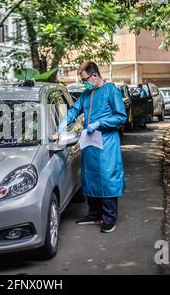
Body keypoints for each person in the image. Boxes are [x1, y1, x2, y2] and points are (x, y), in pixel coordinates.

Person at [59, 61, 127, 233]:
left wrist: (99, 123)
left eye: (85, 80)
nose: (84, 84)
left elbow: (121, 116)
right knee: (90, 176)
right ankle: (95, 214)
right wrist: (64, 122)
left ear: (95, 75)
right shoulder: (87, 94)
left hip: (106, 142)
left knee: (106, 176)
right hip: (90, 141)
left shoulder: (111, 90)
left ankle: (109, 218)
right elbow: (75, 109)